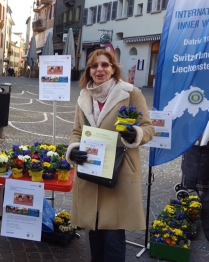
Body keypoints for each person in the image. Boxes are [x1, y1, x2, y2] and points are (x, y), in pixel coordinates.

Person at [65, 49, 154, 261]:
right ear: (89, 71)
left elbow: (148, 128)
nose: (99, 70)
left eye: (104, 65)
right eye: (94, 66)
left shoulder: (130, 93)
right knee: (94, 233)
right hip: (91, 169)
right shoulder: (84, 97)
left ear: (113, 68)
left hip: (119, 170)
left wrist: (134, 134)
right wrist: (74, 149)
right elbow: (77, 131)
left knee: (114, 236)